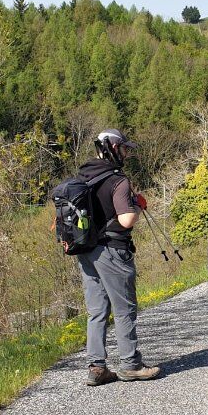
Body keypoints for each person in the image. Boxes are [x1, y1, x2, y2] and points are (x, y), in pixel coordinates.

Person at [76, 129, 163, 385]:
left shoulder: (83, 176)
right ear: (113, 148)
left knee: (97, 310)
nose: (126, 154)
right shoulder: (118, 180)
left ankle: (97, 367)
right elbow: (126, 220)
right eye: (124, 149)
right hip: (113, 250)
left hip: (86, 251)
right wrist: (137, 205)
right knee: (124, 308)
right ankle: (130, 364)